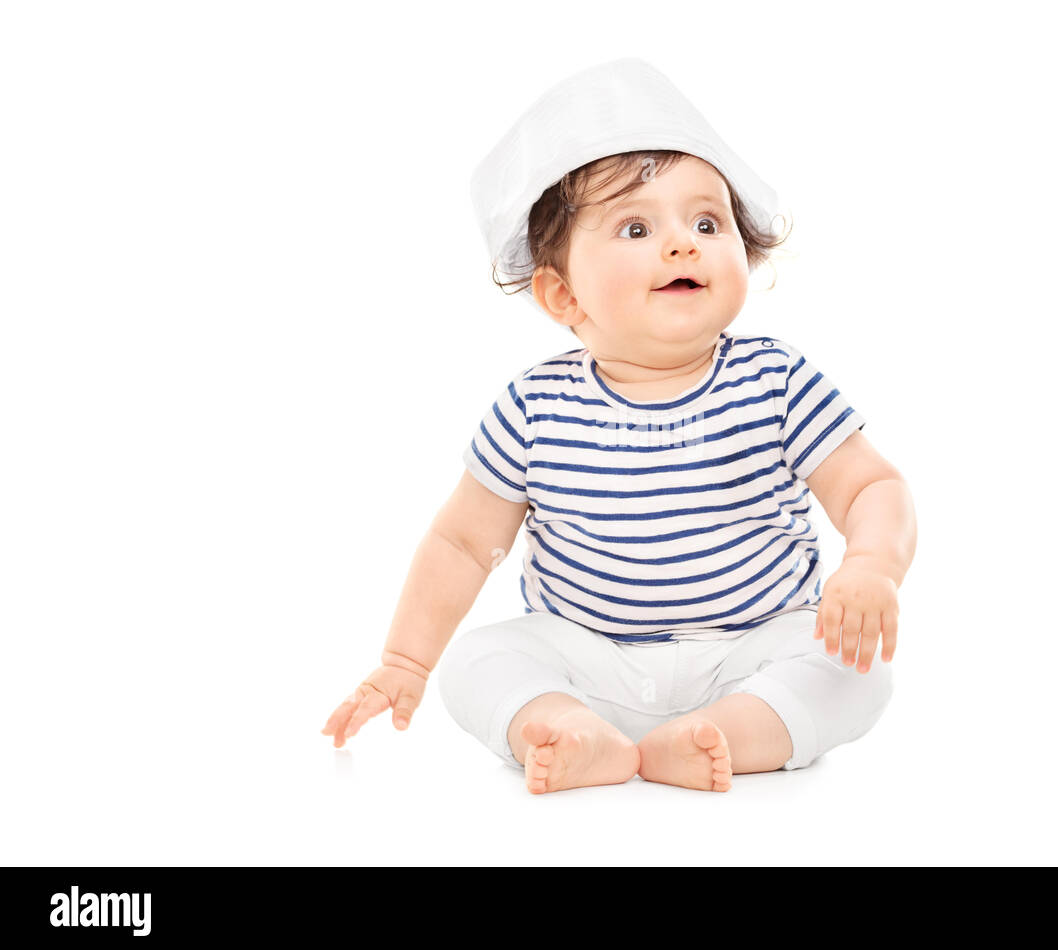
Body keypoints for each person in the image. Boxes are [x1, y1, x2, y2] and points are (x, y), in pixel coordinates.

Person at [320, 58, 917, 794]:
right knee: (478, 662)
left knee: (855, 669)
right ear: (562, 294)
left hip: (755, 646)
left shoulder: (776, 380)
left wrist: (869, 567)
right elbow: (464, 541)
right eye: (636, 227)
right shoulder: (535, 407)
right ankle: (573, 732)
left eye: (706, 221)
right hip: (587, 656)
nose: (681, 243)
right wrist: (405, 662)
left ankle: (724, 733)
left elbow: (872, 485)